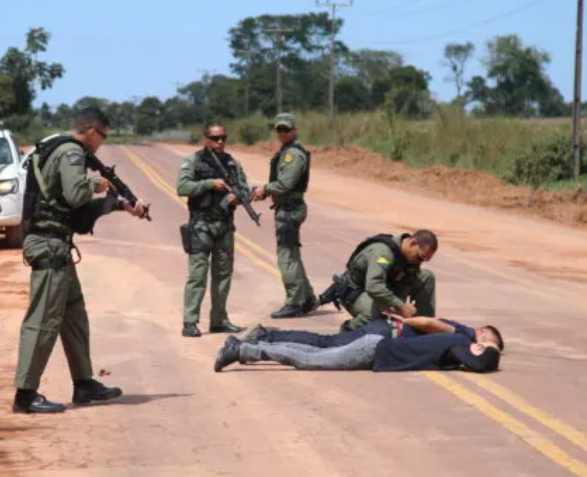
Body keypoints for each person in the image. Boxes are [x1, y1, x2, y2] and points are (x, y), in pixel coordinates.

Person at [14, 107, 149, 414]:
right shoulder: (71, 153)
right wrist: (98, 185)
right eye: (102, 136)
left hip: (58, 245)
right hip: (49, 246)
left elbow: (70, 204)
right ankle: (25, 394)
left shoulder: (62, 148)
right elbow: (76, 195)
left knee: (74, 317)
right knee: (42, 321)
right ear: (91, 131)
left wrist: (117, 204)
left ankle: (84, 384)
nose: (101, 143)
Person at [213, 315, 503, 374]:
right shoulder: (459, 341)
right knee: (310, 359)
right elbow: (478, 364)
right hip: (374, 349)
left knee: (315, 351)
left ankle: (247, 347)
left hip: (377, 344)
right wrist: (488, 351)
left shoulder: (456, 341)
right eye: (488, 342)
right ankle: (242, 350)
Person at [176, 123, 249, 337]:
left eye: (223, 138)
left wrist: (237, 196)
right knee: (197, 276)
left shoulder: (232, 163)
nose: (220, 142)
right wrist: (209, 184)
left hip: (224, 227)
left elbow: (243, 187)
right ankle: (190, 322)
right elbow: (182, 187)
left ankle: (219, 320)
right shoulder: (193, 161)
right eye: (215, 138)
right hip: (201, 226)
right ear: (206, 139)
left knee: (223, 275)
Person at [251, 113, 317, 319]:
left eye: (286, 129)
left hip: (290, 209)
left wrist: (266, 189)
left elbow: (286, 183)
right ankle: (307, 298)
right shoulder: (287, 151)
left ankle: (294, 303)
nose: (282, 133)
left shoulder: (293, 155)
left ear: (294, 130)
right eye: (279, 129)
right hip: (288, 207)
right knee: (292, 255)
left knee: (286, 257)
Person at [325, 231, 439, 330]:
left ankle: (424, 327)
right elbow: (374, 286)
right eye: (420, 257)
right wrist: (401, 306)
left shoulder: (409, 257)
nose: (420, 262)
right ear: (412, 243)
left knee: (427, 276)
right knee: (379, 314)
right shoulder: (383, 254)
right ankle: (349, 329)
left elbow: (407, 278)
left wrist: (403, 308)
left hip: (386, 287)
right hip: (357, 292)